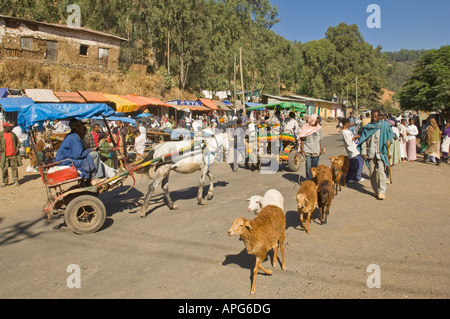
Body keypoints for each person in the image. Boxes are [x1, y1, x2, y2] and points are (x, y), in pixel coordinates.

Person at [54, 119, 107, 184]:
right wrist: (90, 150)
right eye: (81, 125)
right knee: (94, 154)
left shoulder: (72, 135)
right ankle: (96, 177)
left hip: (66, 158)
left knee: (91, 154)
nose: (83, 127)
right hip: (67, 161)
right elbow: (78, 155)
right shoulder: (74, 137)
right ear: (77, 128)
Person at [358, 109, 394, 200]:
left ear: (380, 116)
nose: (374, 118)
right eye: (373, 116)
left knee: (380, 172)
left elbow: (390, 140)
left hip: (381, 153)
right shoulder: (367, 128)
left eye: (376, 116)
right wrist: (363, 152)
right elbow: (363, 141)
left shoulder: (384, 126)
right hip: (370, 153)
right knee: (372, 173)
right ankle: (376, 190)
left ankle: (382, 191)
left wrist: (389, 152)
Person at [299, 114, 324, 181]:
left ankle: (314, 180)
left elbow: (319, 139)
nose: (317, 122)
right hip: (307, 150)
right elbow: (302, 140)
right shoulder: (305, 128)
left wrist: (320, 149)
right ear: (313, 120)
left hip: (316, 150)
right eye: (316, 121)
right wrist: (302, 150)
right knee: (308, 167)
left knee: (315, 167)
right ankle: (308, 180)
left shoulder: (318, 128)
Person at [341, 118, 364, 183]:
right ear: (347, 124)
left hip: (356, 149)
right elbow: (348, 142)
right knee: (355, 165)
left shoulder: (348, 131)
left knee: (360, 163)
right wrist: (354, 137)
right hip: (352, 151)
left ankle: (357, 176)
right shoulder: (344, 132)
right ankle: (349, 177)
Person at [0, 122, 23, 187]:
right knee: (4, 169)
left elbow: (18, 141)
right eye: (9, 126)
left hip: (13, 154)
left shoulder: (12, 134)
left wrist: (17, 148)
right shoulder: (1, 135)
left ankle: (16, 180)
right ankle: (5, 181)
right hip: (5, 155)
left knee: (14, 168)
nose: (10, 127)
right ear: (6, 127)